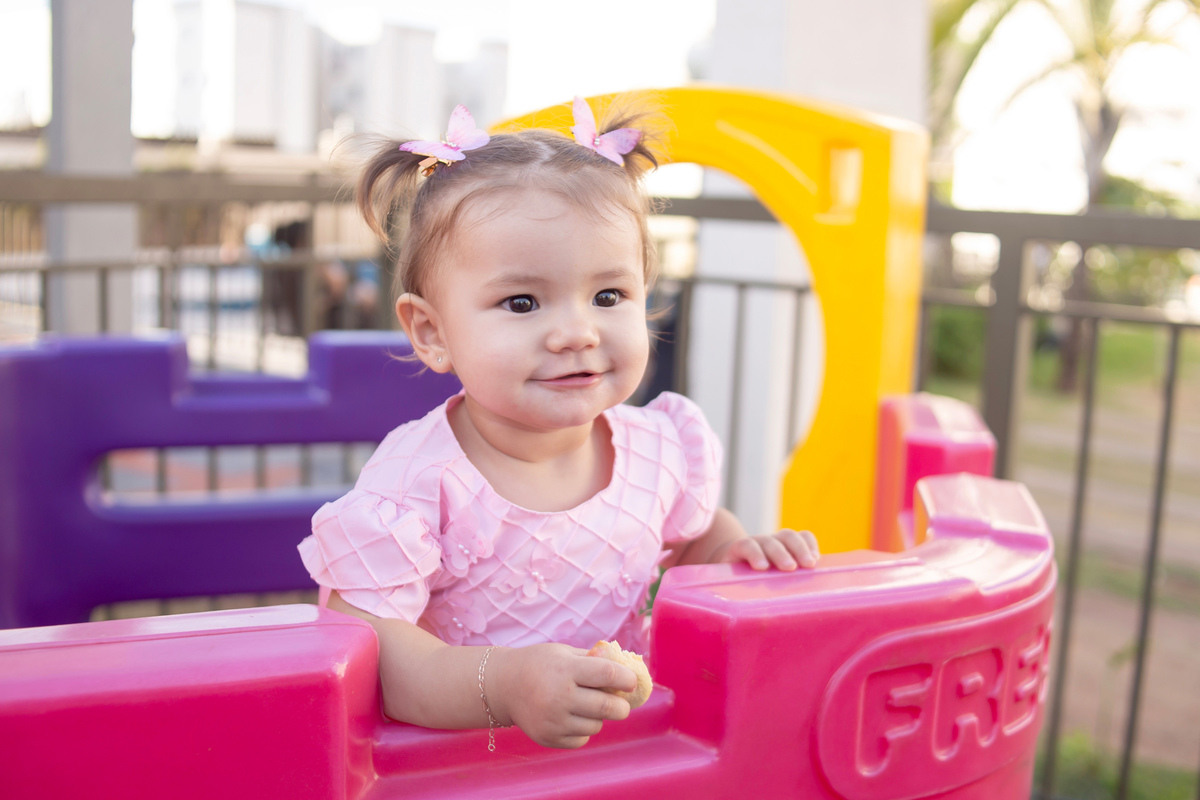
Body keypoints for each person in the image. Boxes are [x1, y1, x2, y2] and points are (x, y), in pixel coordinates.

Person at [297, 98, 819, 751]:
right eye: (522, 302)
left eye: (608, 296)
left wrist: (735, 556)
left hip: (626, 755)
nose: (576, 331)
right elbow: (370, 654)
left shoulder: (659, 448)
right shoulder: (416, 488)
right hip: (463, 768)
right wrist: (508, 686)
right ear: (432, 331)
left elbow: (694, 540)